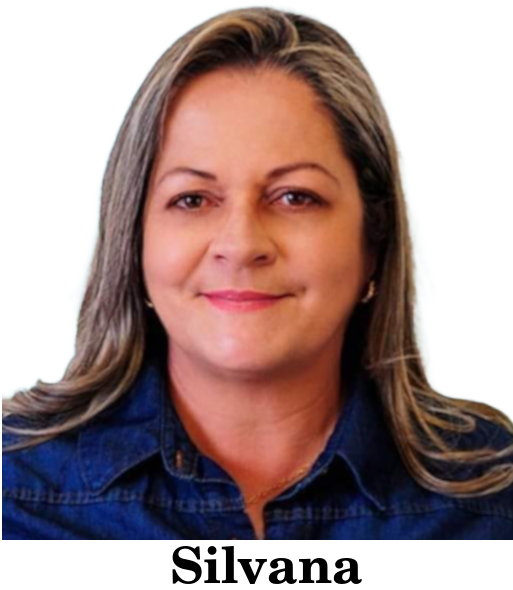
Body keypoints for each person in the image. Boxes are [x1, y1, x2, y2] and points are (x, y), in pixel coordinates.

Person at [3, 6, 512, 540]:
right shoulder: (13, 489)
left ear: (374, 240)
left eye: (295, 197)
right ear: (134, 241)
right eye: (193, 199)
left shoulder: (493, 501)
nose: (241, 245)